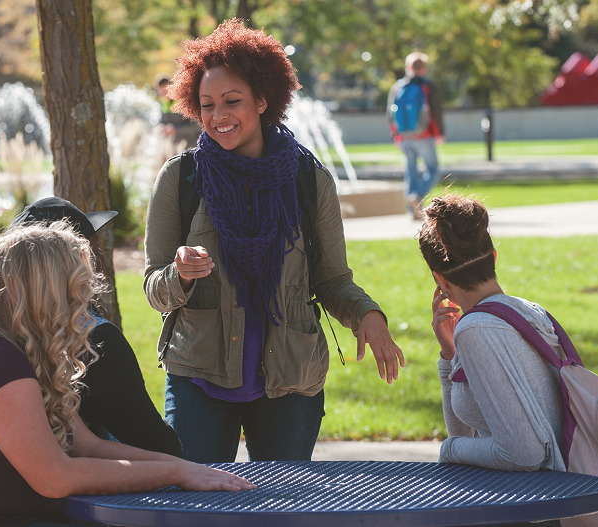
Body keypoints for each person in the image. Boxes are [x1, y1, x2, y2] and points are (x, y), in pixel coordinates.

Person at [143, 18, 405, 464]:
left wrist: (367, 315)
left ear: (262, 100)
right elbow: (154, 287)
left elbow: (333, 280)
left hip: (291, 381)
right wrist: (179, 274)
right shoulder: (182, 177)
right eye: (207, 105)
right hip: (200, 377)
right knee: (200, 510)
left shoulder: (309, 179)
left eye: (232, 101)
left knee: (283, 510)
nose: (218, 116)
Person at [0, 222, 254, 527]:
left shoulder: (15, 353)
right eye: (78, 289)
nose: (86, 303)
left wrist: (185, 468)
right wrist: (175, 474)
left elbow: (88, 446)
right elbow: (55, 477)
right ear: (47, 295)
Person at [12, 197, 183, 456]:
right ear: (69, 266)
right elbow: (160, 449)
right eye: (92, 251)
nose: (101, 261)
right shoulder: (95, 342)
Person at [421, 194, 565, 476]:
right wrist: (450, 357)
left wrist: (449, 449)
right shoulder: (531, 312)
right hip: (565, 492)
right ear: (493, 257)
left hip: (530, 507)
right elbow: (471, 433)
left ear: (440, 279)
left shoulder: (477, 329)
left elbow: (524, 455)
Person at [387, 51, 445, 220]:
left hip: (404, 136)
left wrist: (395, 135)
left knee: (410, 172)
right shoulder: (427, 86)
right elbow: (436, 111)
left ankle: (412, 211)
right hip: (424, 135)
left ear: (408, 67)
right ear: (424, 68)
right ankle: (418, 196)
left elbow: (389, 114)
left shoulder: (397, 87)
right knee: (433, 169)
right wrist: (440, 133)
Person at [154, 73, 202, 149]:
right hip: (174, 148)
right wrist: (162, 127)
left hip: (192, 146)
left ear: (171, 87)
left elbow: (197, 126)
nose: (164, 94)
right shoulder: (163, 103)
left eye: (165, 91)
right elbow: (162, 121)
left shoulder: (184, 101)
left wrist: (176, 130)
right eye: (161, 92)